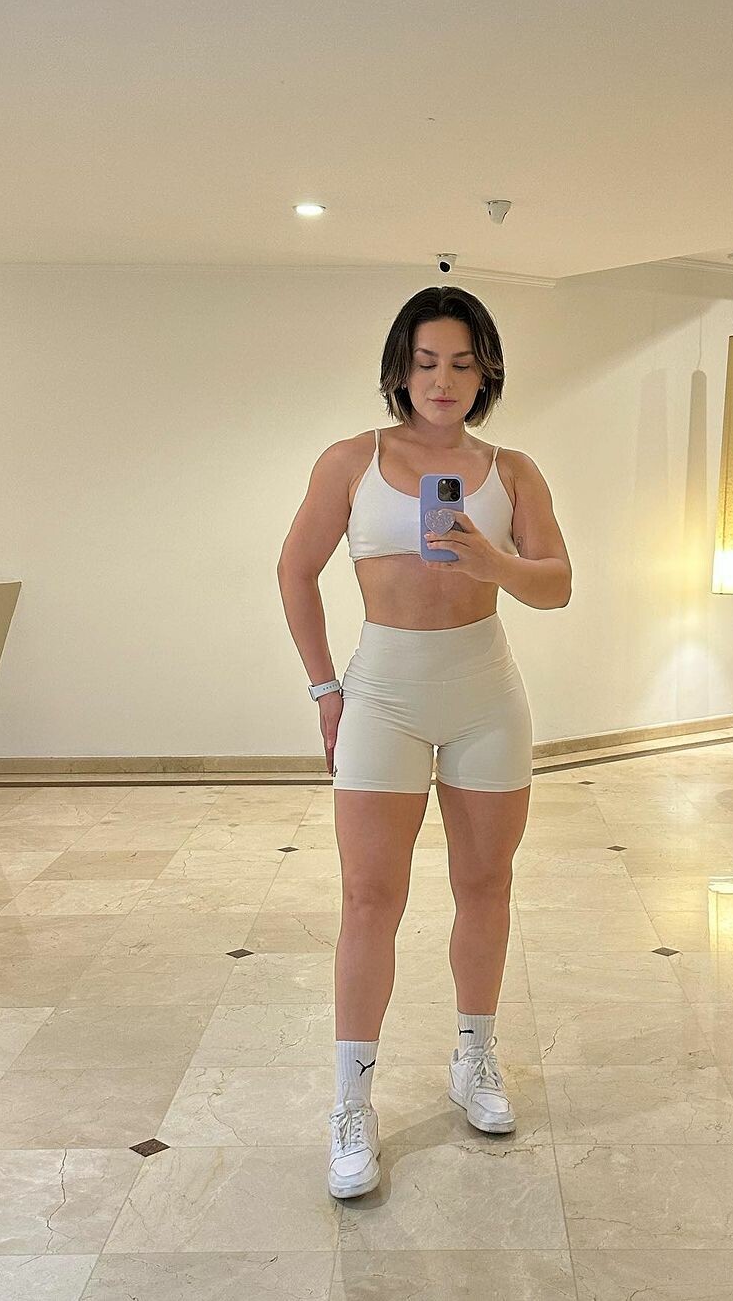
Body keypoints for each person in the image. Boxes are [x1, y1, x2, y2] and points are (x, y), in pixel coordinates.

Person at [276, 285, 572, 1199]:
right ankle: (350, 1103)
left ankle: (473, 1057)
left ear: (486, 372)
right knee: (370, 897)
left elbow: (557, 584)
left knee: (485, 884)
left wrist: (494, 561)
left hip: (486, 693)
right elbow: (295, 570)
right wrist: (325, 688)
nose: (442, 380)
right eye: (426, 361)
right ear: (400, 369)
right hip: (384, 693)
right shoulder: (351, 461)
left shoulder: (512, 470)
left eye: (461, 362)